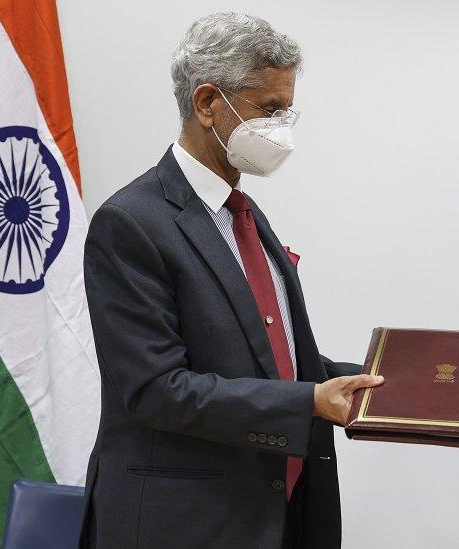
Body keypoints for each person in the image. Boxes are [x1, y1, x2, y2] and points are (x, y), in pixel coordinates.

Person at [79, 13, 383, 549]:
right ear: (206, 103)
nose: (281, 126)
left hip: (276, 514)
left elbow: (275, 361)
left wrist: (396, 385)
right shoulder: (130, 223)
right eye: (268, 108)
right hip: (185, 525)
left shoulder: (242, 213)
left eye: (287, 109)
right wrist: (309, 401)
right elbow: (157, 390)